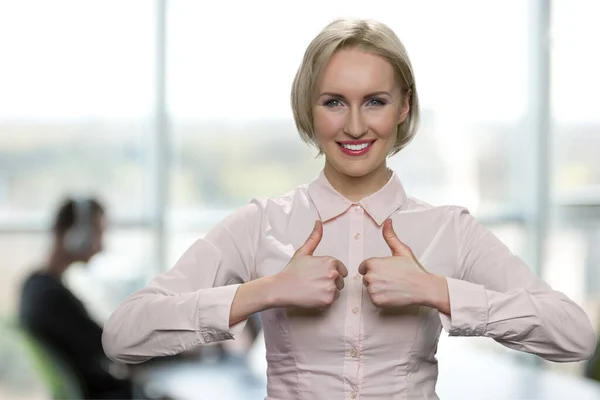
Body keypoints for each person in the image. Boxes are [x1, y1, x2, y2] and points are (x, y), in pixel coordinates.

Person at [102, 19, 597, 399]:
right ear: (308, 108)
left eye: (375, 101)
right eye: (335, 102)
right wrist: (264, 291)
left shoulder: (450, 230)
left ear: (404, 107)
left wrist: (438, 291)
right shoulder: (262, 224)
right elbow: (124, 335)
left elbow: (573, 336)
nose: (356, 126)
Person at [19, 197, 136, 399]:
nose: (101, 246)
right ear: (75, 234)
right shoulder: (51, 297)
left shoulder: (34, 285)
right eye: (98, 232)